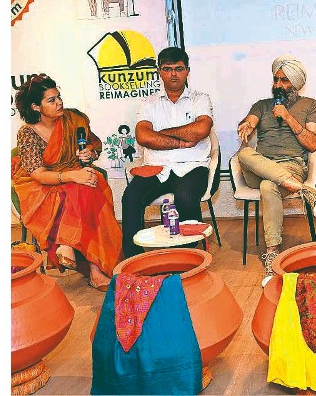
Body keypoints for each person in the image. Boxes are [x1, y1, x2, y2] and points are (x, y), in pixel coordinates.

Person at [13, 74, 121, 290]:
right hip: (41, 185)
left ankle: (68, 245)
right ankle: (94, 270)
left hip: (73, 176)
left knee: (89, 184)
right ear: (36, 107)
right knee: (82, 188)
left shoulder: (73, 120)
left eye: (59, 97)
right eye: (51, 100)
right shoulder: (27, 133)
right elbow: (37, 174)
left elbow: (94, 144)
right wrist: (72, 176)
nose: (59, 103)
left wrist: (90, 153)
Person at [233, 55, 316, 286]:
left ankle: (272, 254)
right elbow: (249, 121)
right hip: (260, 167)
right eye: (276, 79)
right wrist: (246, 125)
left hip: (291, 165)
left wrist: (288, 118)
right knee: (244, 153)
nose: (278, 85)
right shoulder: (262, 105)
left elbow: (312, 144)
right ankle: (307, 192)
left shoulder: (310, 105)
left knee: (269, 186)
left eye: (284, 80)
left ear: (296, 84)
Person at [121, 47, 214, 257]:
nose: (173, 74)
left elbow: (201, 129)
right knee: (131, 197)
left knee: (185, 197)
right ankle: (134, 258)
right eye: (167, 69)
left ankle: (188, 255)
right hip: (157, 167)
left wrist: (161, 134)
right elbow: (144, 136)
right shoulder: (148, 103)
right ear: (159, 71)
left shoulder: (200, 99)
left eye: (179, 69)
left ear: (187, 71)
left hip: (192, 166)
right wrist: (181, 142)